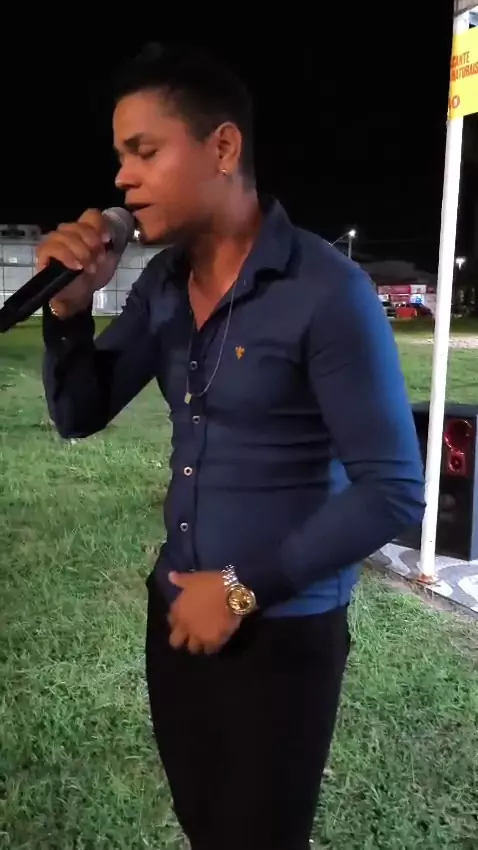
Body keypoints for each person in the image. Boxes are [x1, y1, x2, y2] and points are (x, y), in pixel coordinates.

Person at [39, 43, 425, 850]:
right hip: (177, 617)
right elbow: (80, 412)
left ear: (221, 147)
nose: (121, 179)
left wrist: (242, 589)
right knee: (205, 828)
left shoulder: (326, 290)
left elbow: (391, 490)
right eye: (119, 156)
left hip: (281, 636)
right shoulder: (162, 284)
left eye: (144, 151)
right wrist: (68, 313)